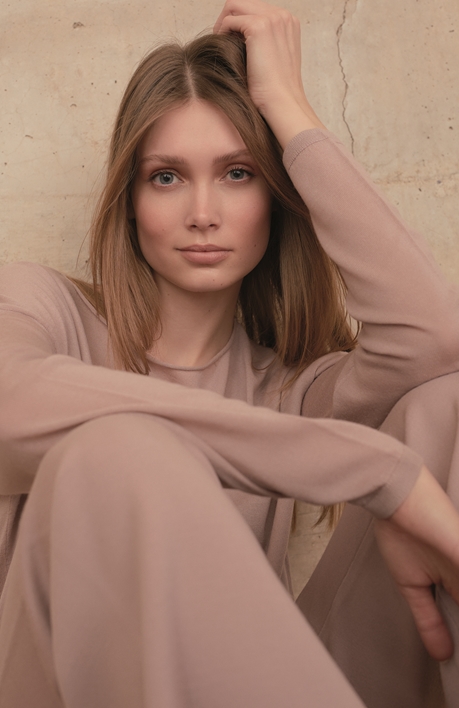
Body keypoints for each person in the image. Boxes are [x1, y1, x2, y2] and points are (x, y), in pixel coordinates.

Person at [0, 1, 458, 705]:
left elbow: (432, 336)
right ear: (129, 201)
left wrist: (289, 107)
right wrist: (377, 472)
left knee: (445, 405)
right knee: (117, 448)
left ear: (275, 197)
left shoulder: (295, 392)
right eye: (167, 176)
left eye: (238, 173)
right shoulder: (39, 307)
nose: (203, 213)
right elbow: (10, 402)